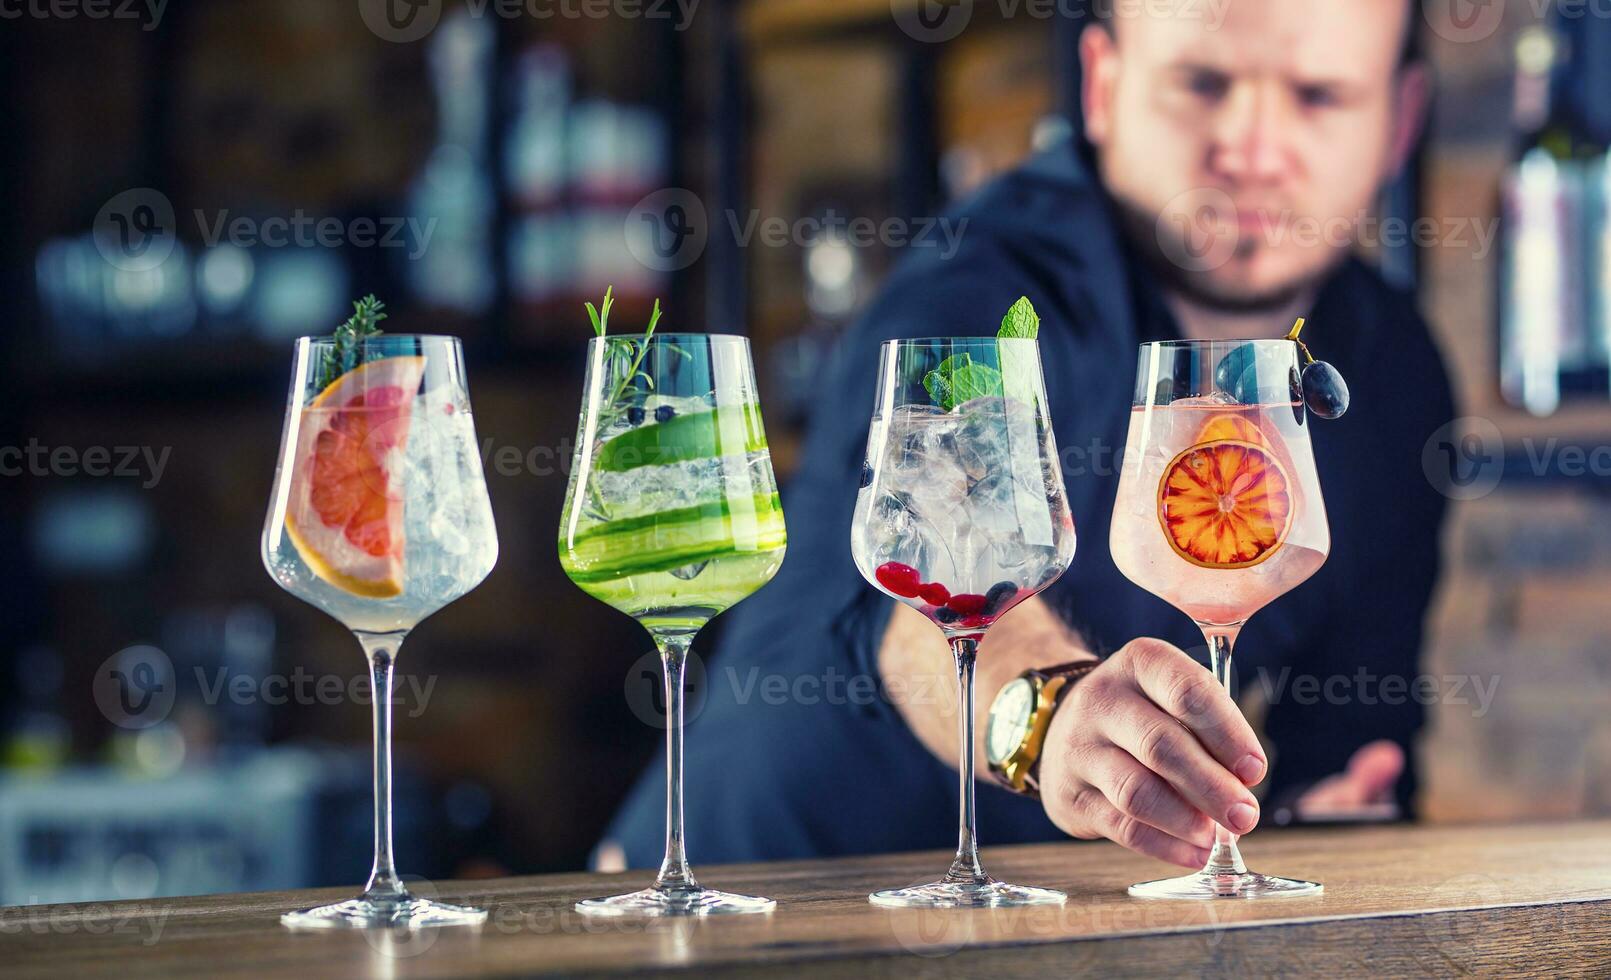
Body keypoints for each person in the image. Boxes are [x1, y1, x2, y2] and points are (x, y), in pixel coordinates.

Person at [601, 0, 1453, 871]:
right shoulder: (982, 284)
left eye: (1318, 96)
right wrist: (1046, 708)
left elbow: (1350, 732)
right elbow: (897, 586)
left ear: (1400, 121)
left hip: (1035, 926)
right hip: (745, 890)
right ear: (1102, 83)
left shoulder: (1390, 369)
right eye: (1201, 83)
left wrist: (1319, 815)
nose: (1251, 146)